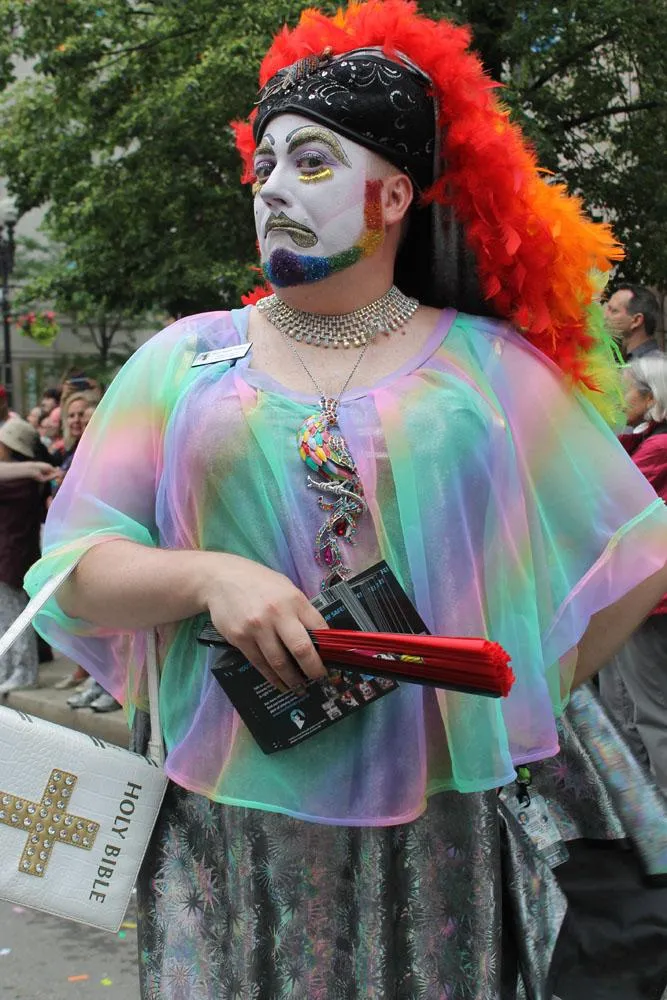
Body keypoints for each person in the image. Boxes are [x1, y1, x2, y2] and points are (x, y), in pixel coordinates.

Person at [23, 2, 667, 997]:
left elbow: (635, 547)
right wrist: (210, 576)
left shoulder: (485, 368)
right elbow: (73, 567)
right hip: (228, 815)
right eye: (265, 166)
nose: (274, 187)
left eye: (312, 162)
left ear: (395, 193)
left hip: (436, 820)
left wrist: (525, 689)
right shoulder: (182, 361)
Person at [599, 355, 667, 794]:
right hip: (643, 592)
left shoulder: (659, 447)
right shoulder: (648, 440)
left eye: (625, 390)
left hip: (649, 597)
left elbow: (611, 498)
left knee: (651, 712)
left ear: (649, 396)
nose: (619, 399)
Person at [0, 418, 49, 694]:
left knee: (16, 617)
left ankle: (24, 671)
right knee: (7, 617)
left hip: (13, 557)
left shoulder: (17, 482)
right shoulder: (24, 477)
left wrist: (30, 469)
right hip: (9, 556)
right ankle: (9, 668)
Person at [604, 283, 662, 360]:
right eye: (607, 308)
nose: (605, 316)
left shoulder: (652, 364)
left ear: (636, 320)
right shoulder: (633, 360)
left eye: (614, 311)